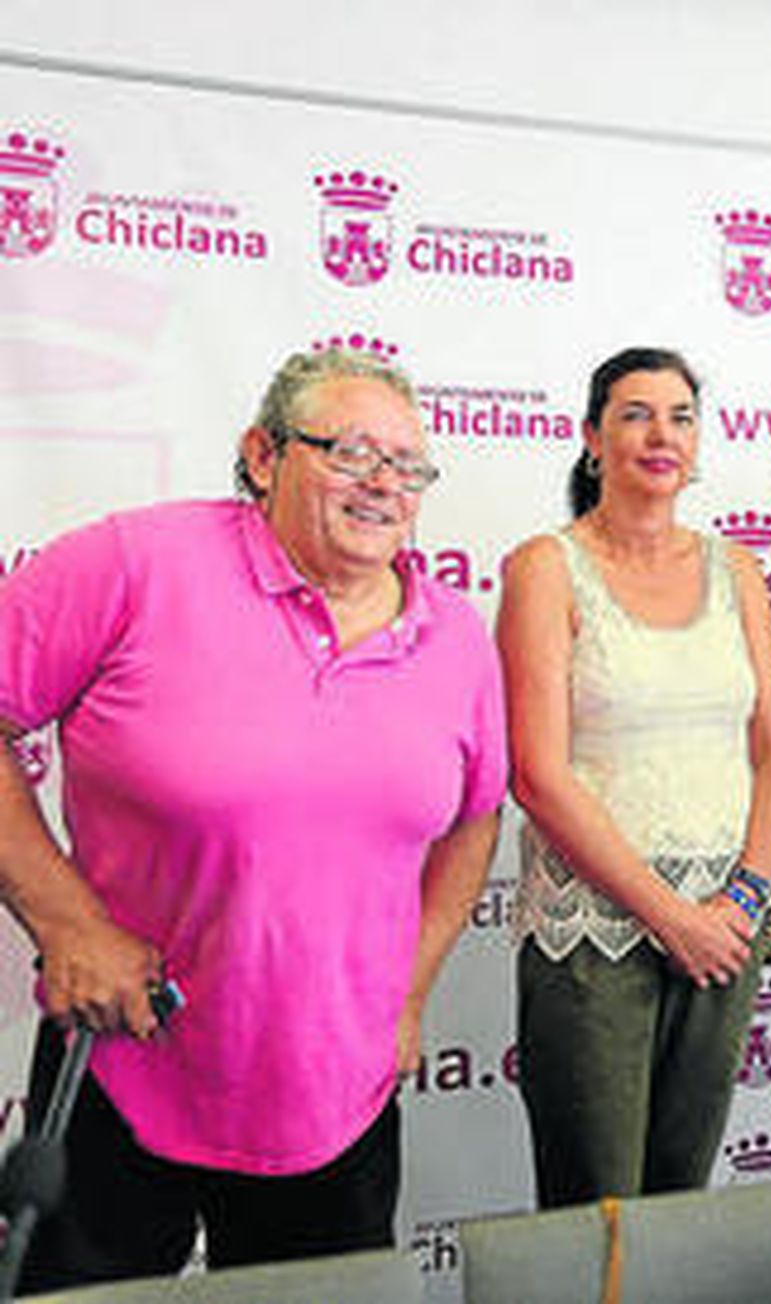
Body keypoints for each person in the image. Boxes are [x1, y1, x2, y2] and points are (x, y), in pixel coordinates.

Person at [0, 348, 506, 1289]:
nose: (384, 484)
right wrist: (68, 925)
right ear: (264, 456)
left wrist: (408, 994)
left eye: (408, 466)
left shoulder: (457, 638)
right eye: (352, 453)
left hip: (336, 1096)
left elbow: (476, 820)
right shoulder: (134, 564)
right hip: (122, 1067)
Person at [497, 347, 771, 1207]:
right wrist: (673, 918)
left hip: (726, 930)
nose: (661, 435)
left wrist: (744, 898)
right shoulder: (544, 568)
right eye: (635, 414)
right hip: (594, 937)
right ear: (592, 438)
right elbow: (538, 775)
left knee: (678, 1208)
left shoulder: (736, 569)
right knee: (597, 1213)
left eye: (680, 417)